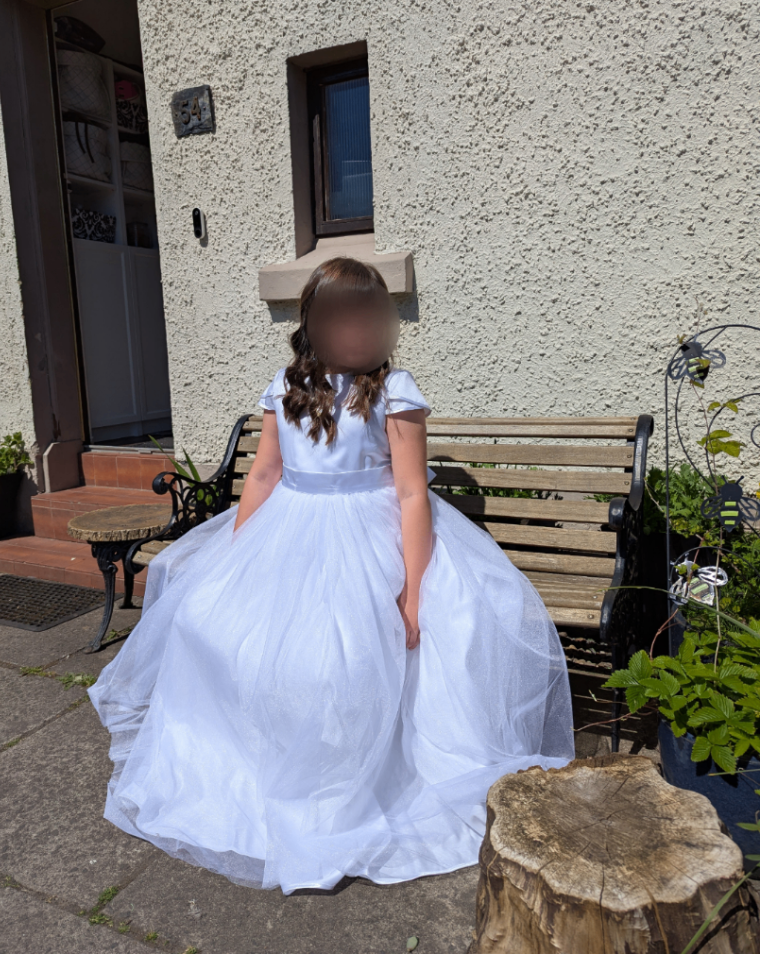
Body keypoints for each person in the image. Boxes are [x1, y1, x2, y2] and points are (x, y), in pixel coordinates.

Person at [87, 256, 574, 896]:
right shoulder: (285, 387)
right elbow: (263, 475)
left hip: (370, 533)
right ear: (311, 324)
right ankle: (264, 766)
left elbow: (409, 496)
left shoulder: (394, 392)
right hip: (290, 527)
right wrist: (237, 555)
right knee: (227, 633)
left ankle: (343, 781)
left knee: (344, 658)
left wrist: (412, 587)